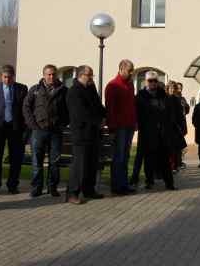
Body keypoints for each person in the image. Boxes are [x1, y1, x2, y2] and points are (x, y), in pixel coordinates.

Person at [23, 64, 69, 198]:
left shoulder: (63, 90)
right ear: (44, 75)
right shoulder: (35, 90)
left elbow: (69, 109)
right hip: (38, 131)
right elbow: (26, 107)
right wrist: (33, 125)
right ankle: (36, 188)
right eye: (49, 74)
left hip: (55, 131)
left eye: (54, 74)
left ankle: (52, 187)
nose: (51, 77)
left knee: (55, 162)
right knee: (37, 161)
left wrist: (62, 123)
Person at [0, 65, 28, 195]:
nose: (7, 80)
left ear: (14, 77)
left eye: (10, 77)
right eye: (5, 77)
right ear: (1, 76)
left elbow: (25, 109)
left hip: (15, 127)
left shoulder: (22, 89)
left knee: (16, 158)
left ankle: (13, 185)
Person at [66, 65, 107, 204]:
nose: (91, 78)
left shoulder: (91, 88)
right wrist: (97, 122)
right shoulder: (74, 91)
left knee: (91, 163)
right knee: (79, 165)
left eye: (92, 75)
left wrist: (105, 116)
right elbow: (80, 113)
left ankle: (89, 190)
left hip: (93, 133)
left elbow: (98, 105)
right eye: (89, 75)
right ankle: (72, 193)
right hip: (81, 134)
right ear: (80, 75)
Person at [135, 71, 177, 190]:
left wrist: (168, 127)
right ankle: (149, 181)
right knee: (148, 158)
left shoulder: (163, 95)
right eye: (150, 81)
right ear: (146, 82)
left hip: (162, 132)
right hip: (147, 131)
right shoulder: (141, 95)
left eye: (155, 81)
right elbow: (138, 113)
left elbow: (169, 112)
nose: (153, 83)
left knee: (164, 158)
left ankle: (169, 183)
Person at [105, 60, 137, 195]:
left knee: (125, 156)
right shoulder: (113, 86)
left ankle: (124, 184)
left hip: (129, 126)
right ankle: (117, 186)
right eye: (129, 71)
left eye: (132, 70)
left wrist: (135, 122)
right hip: (119, 127)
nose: (131, 73)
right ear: (121, 69)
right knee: (118, 157)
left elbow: (132, 105)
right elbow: (110, 109)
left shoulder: (130, 85)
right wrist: (112, 128)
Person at [166, 81, 188, 172]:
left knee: (176, 148)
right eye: (170, 88)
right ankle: (170, 166)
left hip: (176, 127)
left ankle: (175, 166)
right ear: (167, 89)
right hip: (167, 127)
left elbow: (181, 114)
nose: (172, 90)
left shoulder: (177, 99)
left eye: (173, 88)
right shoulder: (165, 98)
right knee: (168, 148)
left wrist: (182, 127)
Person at [175, 82, 190, 169]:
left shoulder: (182, 98)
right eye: (178, 88)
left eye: (181, 88)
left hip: (182, 123)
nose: (180, 90)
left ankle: (179, 161)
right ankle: (178, 162)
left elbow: (187, 110)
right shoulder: (174, 98)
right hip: (176, 124)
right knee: (179, 145)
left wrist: (186, 106)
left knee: (180, 145)